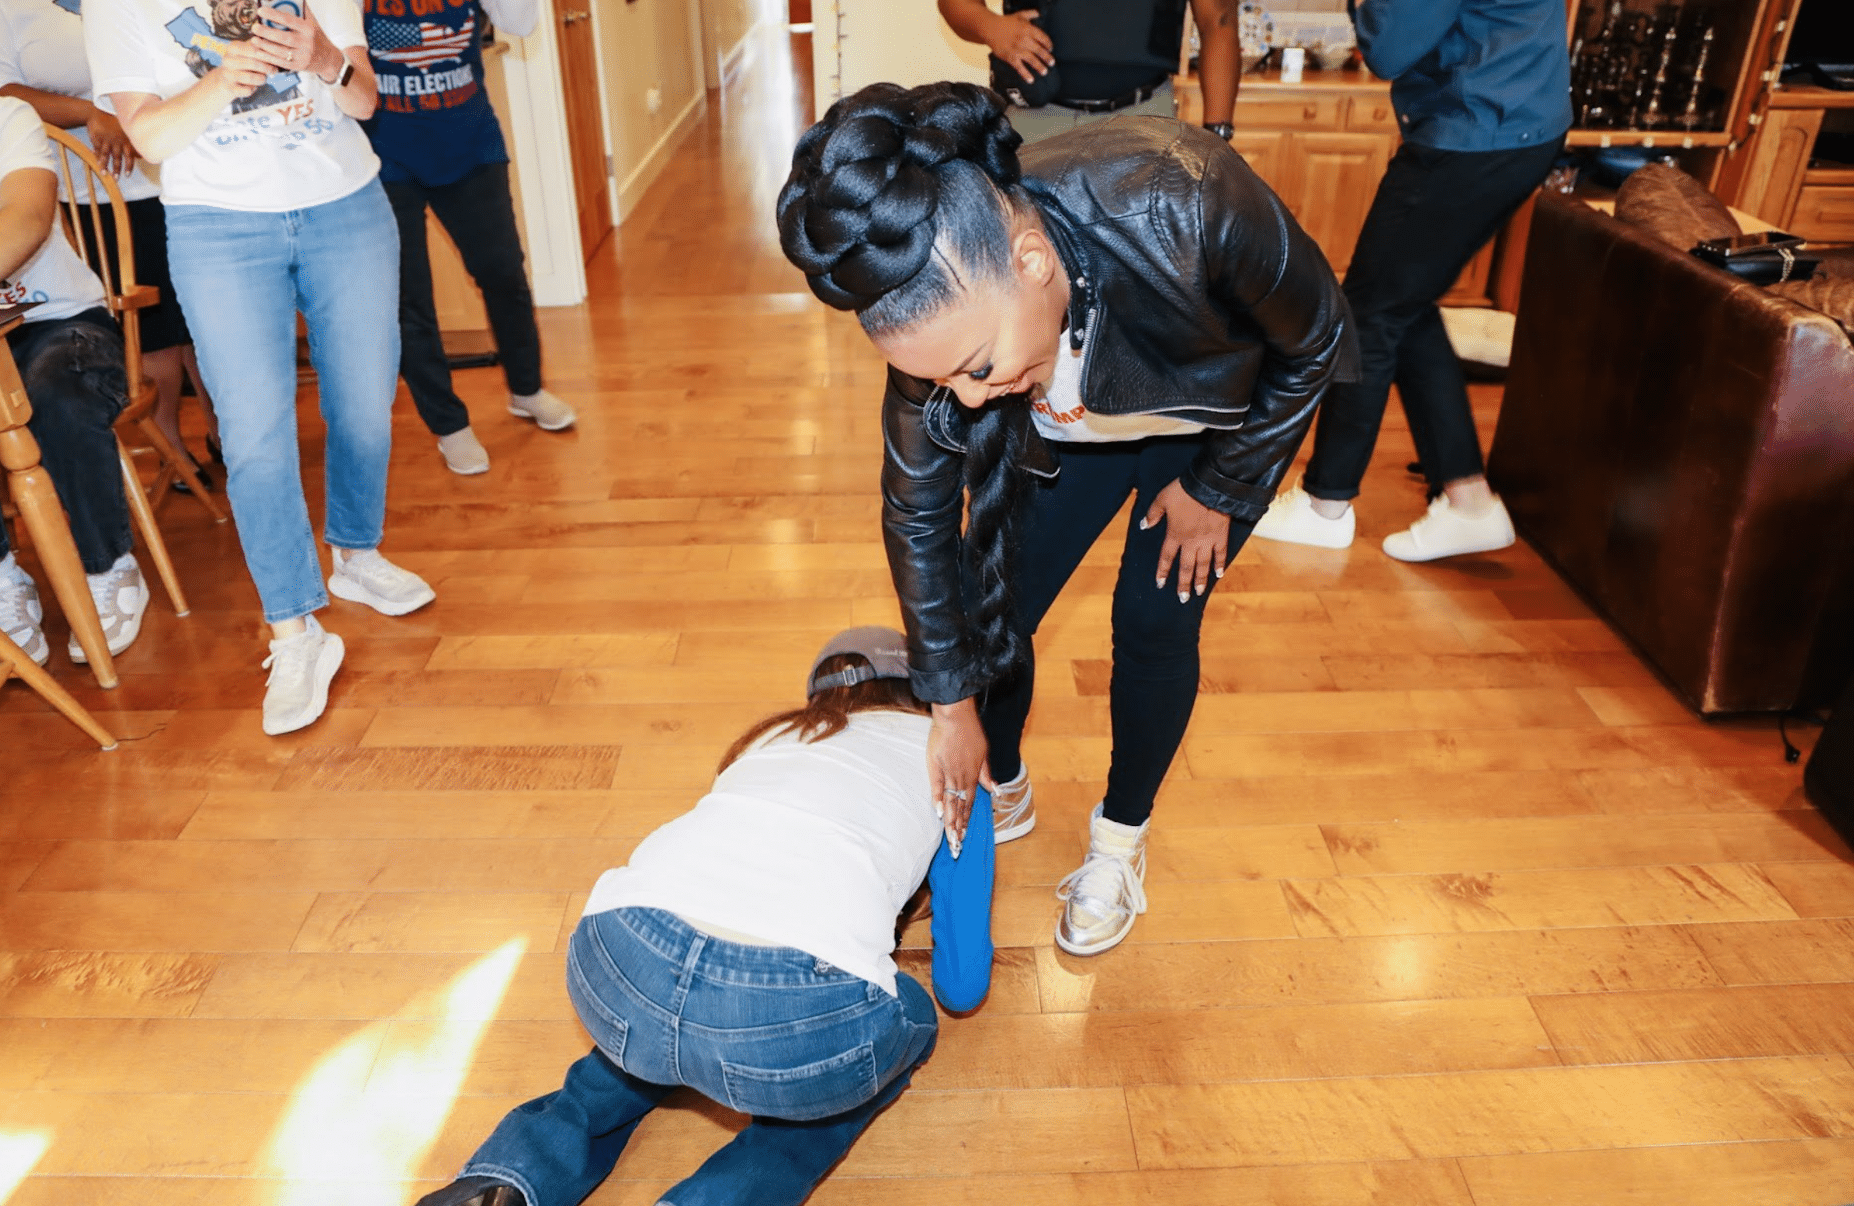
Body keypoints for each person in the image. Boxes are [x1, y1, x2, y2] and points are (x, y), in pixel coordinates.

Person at [777, 83, 1353, 955]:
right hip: (1065, 431)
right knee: (994, 613)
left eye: (977, 367)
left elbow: (1318, 337)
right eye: (941, 383)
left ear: (1032, 260)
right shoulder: (939, 323)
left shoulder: (1187, 199)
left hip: (1206, 427)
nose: (967, 399)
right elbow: (917, 514)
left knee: (1154, 621)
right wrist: (950, 707)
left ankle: (1120, 842)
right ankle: (1005, 786)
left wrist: (1225, 488)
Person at [415, 627, 995, 1206]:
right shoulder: (955, 765)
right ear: (925, 694)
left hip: (620, 952)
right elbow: (962, 985)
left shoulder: (772, 736)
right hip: (788, 1014)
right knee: (910, 1013)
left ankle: (506, 1181)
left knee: (650, 1037)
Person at [86, 0, 438, 735]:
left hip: (346, 207)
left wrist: (326, 60)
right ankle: (294, 628)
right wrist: (222, 79)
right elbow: (147, 135)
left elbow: (364, 99)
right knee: (254, 436)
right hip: (217, 228)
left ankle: (355, 551)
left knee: (366, 406)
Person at [1250, 0, 1571, 561]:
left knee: (1368, 314)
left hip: (1477, 131)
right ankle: (1468, 501)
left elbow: (1390, 49)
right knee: (1402, 303)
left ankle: (1325, 504)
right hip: (1517, 119)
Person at [0, 0, 223, 494]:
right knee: (157, 330)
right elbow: (5, 94)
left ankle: (225, 431)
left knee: (208, 318)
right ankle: (173, 447)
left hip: (187, 167)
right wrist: (92, 112)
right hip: (94, 192)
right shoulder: (12, 9)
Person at [361, 0, 576, 477]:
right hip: (384, 155)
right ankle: (449, 426)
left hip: (470, 142)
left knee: (503, 271)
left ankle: (526, 390)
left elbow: (521, 23)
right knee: (409, 298)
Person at [0, 95, 149, 666]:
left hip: (57, 320)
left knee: (56, 394)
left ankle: (108, 564)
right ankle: (4, 579)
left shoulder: (9, 118)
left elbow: (27, 217)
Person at [938, 0, 1239, 144]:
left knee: (1137, 246)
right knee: (1033, 244)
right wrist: (991, 27)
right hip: (1036, 119)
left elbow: (1219, 21)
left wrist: (1218, 137)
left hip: (1144, 118)